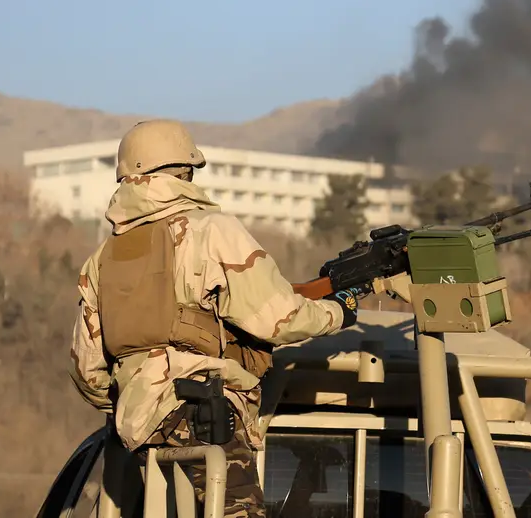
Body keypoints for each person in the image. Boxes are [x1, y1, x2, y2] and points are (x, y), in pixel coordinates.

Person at [68, 119, 357, 518]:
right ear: (185, 172)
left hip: (138, 430)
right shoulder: (211, 232)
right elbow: (281, 318)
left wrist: (135, 395)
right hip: (203, 412)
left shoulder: (101, 260)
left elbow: (89, 373)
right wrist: (339, 311)